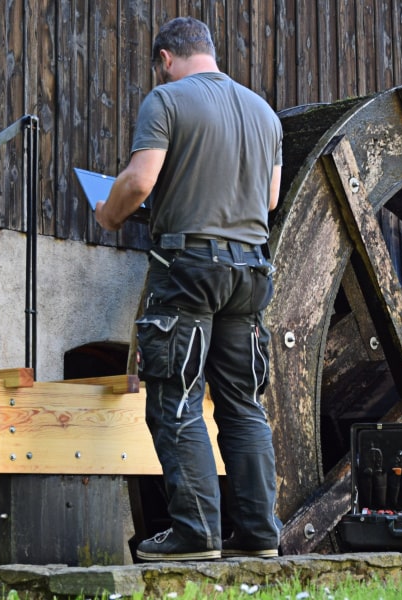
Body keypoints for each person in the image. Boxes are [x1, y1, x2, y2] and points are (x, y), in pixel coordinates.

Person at [95, 16, 283, 561]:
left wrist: (110, 214)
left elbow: (139, 181)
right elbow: (269, 200)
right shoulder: (263, 113)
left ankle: (197, 533)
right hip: (250, 273)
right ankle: (259, 534)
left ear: (165, 57)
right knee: (243, 404)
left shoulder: (168, 100)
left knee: (175, 398)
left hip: (189, 270)